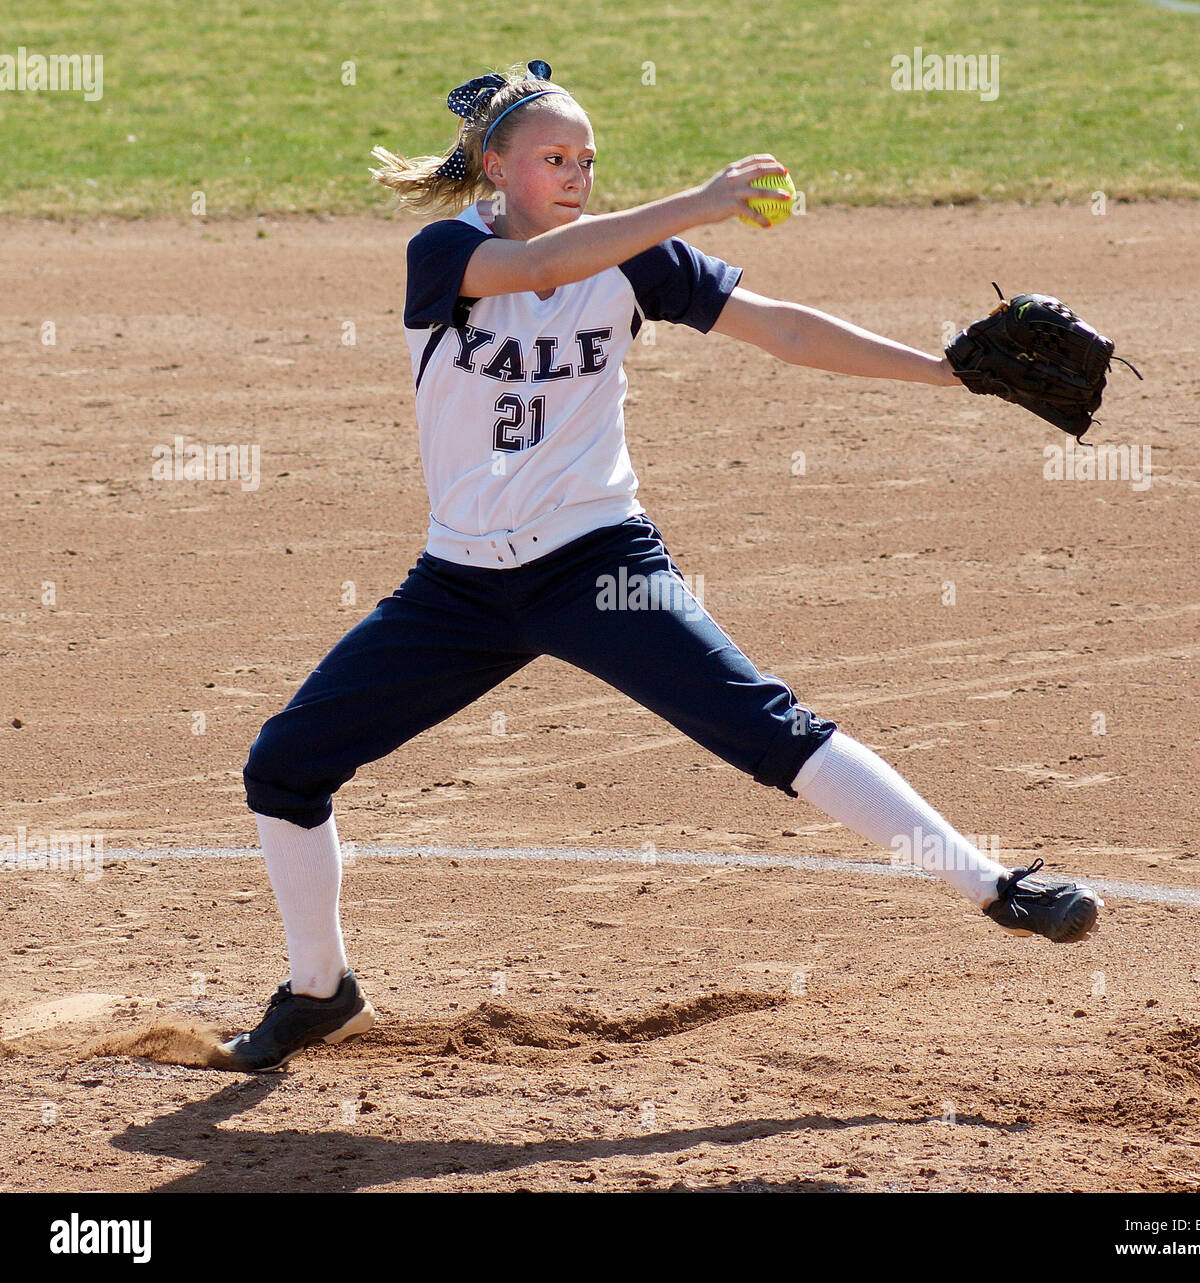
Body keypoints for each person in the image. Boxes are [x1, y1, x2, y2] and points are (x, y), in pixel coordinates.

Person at [222, 59, 1101, 1074]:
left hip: (599, 566)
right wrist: (699, 201)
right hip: (459, 586)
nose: (576, 170)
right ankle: (320, 987)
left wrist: (940, 369)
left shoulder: (638, 261)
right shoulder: (446, 249)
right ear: (496, 165)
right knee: (285, 764)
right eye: (553, 155)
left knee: (766, 726)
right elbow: (542, 271)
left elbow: (778, 328)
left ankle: (995, 885)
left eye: (587, 158)